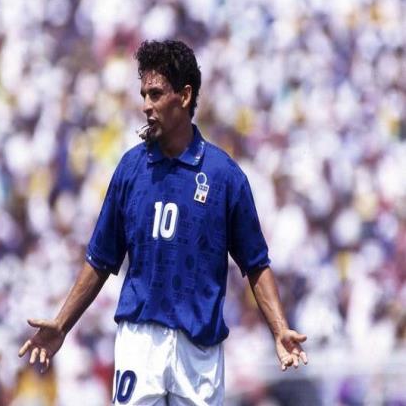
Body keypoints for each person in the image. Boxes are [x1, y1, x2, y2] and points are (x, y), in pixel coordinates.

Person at [19, 39, 308, 405]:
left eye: (155, 94)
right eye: (143, 95)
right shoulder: (131, 168)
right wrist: (62, 324)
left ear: (184, 96)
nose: (146, 105)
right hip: (141, 341)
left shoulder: (224, 176)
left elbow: (255, 263)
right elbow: (100, 259)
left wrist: (279, 329)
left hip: (199, 349)